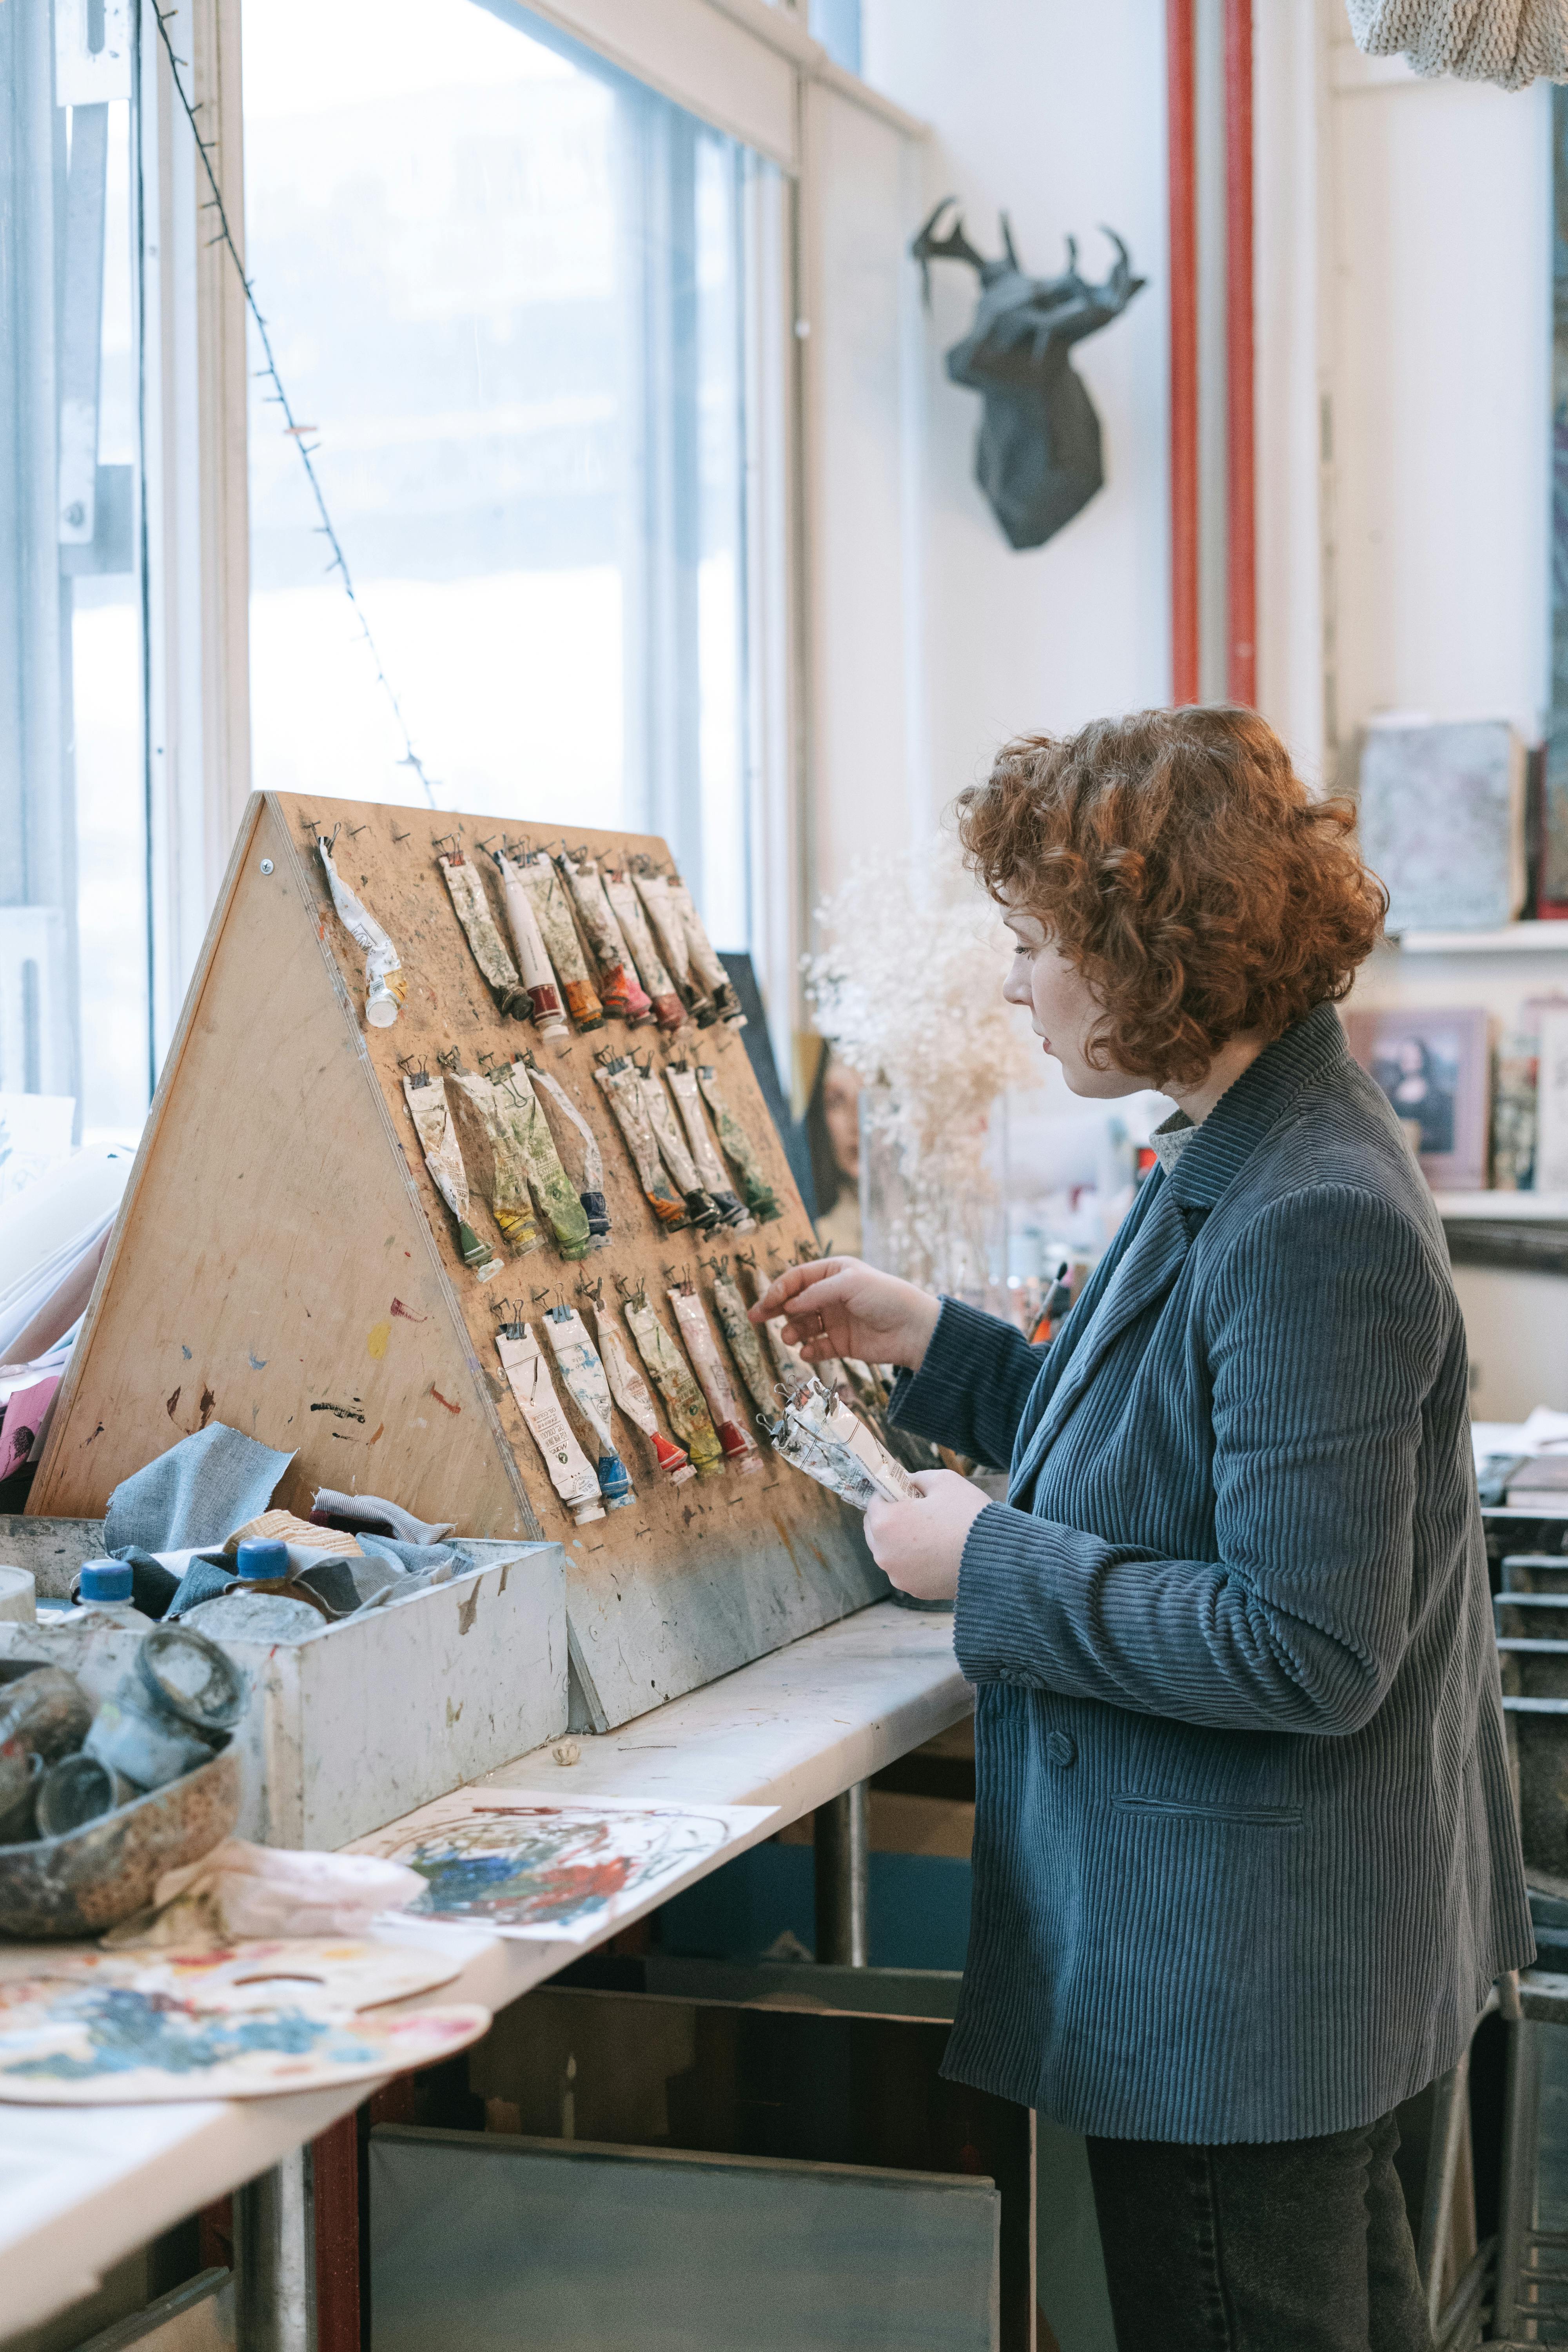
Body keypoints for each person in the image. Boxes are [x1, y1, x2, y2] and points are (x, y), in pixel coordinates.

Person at [752, 706, 1530, 2352]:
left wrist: (989, 1567)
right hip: (1272, 1961)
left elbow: (1305, 1647)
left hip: (1245, 1995)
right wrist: (937, 1339)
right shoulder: (1246, 1145)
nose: (1013, 985)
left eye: (1034, 945)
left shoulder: (1305, 1209)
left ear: (1147, 952)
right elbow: (1164, 1442)